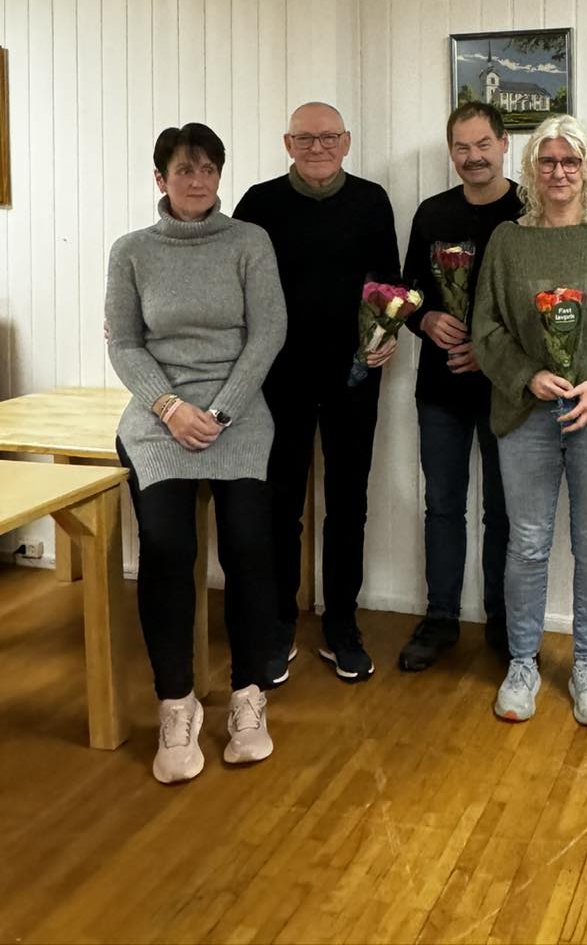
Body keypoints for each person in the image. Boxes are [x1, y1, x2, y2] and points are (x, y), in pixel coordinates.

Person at [105, 122, 287, 784]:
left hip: (236, 415)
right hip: (160, 420)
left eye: (209, 169)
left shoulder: (250, 243)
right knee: (167, 547)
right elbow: (124, 344)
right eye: (185, 170)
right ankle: (176, 704)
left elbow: (268, 332)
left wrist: (219, 411)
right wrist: (171, 408)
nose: (198, 181)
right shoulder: (131, 252)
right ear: (160, 179)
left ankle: (247, 698)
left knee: (248, 545)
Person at [473, 115, 587, 727]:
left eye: (570, 161)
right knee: (526, 543)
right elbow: (487, 326)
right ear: (531, 170)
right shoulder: (507, 241)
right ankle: (522, 663)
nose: (559, 172)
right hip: (526, 414)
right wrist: (527, 373)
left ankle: (584, 666)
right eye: (547, 161)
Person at [233, 101, 400, 685]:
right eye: (305, 138)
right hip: (277, 379)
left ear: (347, 141)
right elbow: (235, 284)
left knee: (348, 502)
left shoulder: (372, 200)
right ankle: (280, 622)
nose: (318, 147)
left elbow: (390, 286)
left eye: (329, 137)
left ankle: (342, 625)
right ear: (287, 143)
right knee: (281, 504)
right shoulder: (257, 204)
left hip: (355, 374)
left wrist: (389, 337)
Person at [397, 102, 521, 671]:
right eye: (462, 148)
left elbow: (546, 305)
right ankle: (441, 617)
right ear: (451, 152)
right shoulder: (432, 212)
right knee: (442, 505)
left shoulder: (531, 210)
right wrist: (423, 321)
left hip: (509, 391)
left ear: (503, 144)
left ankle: (503, 621)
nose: (473, 157)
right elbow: (408, 292)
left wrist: (492, 348)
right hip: (440, 387)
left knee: (505, 510)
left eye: (483, 145)